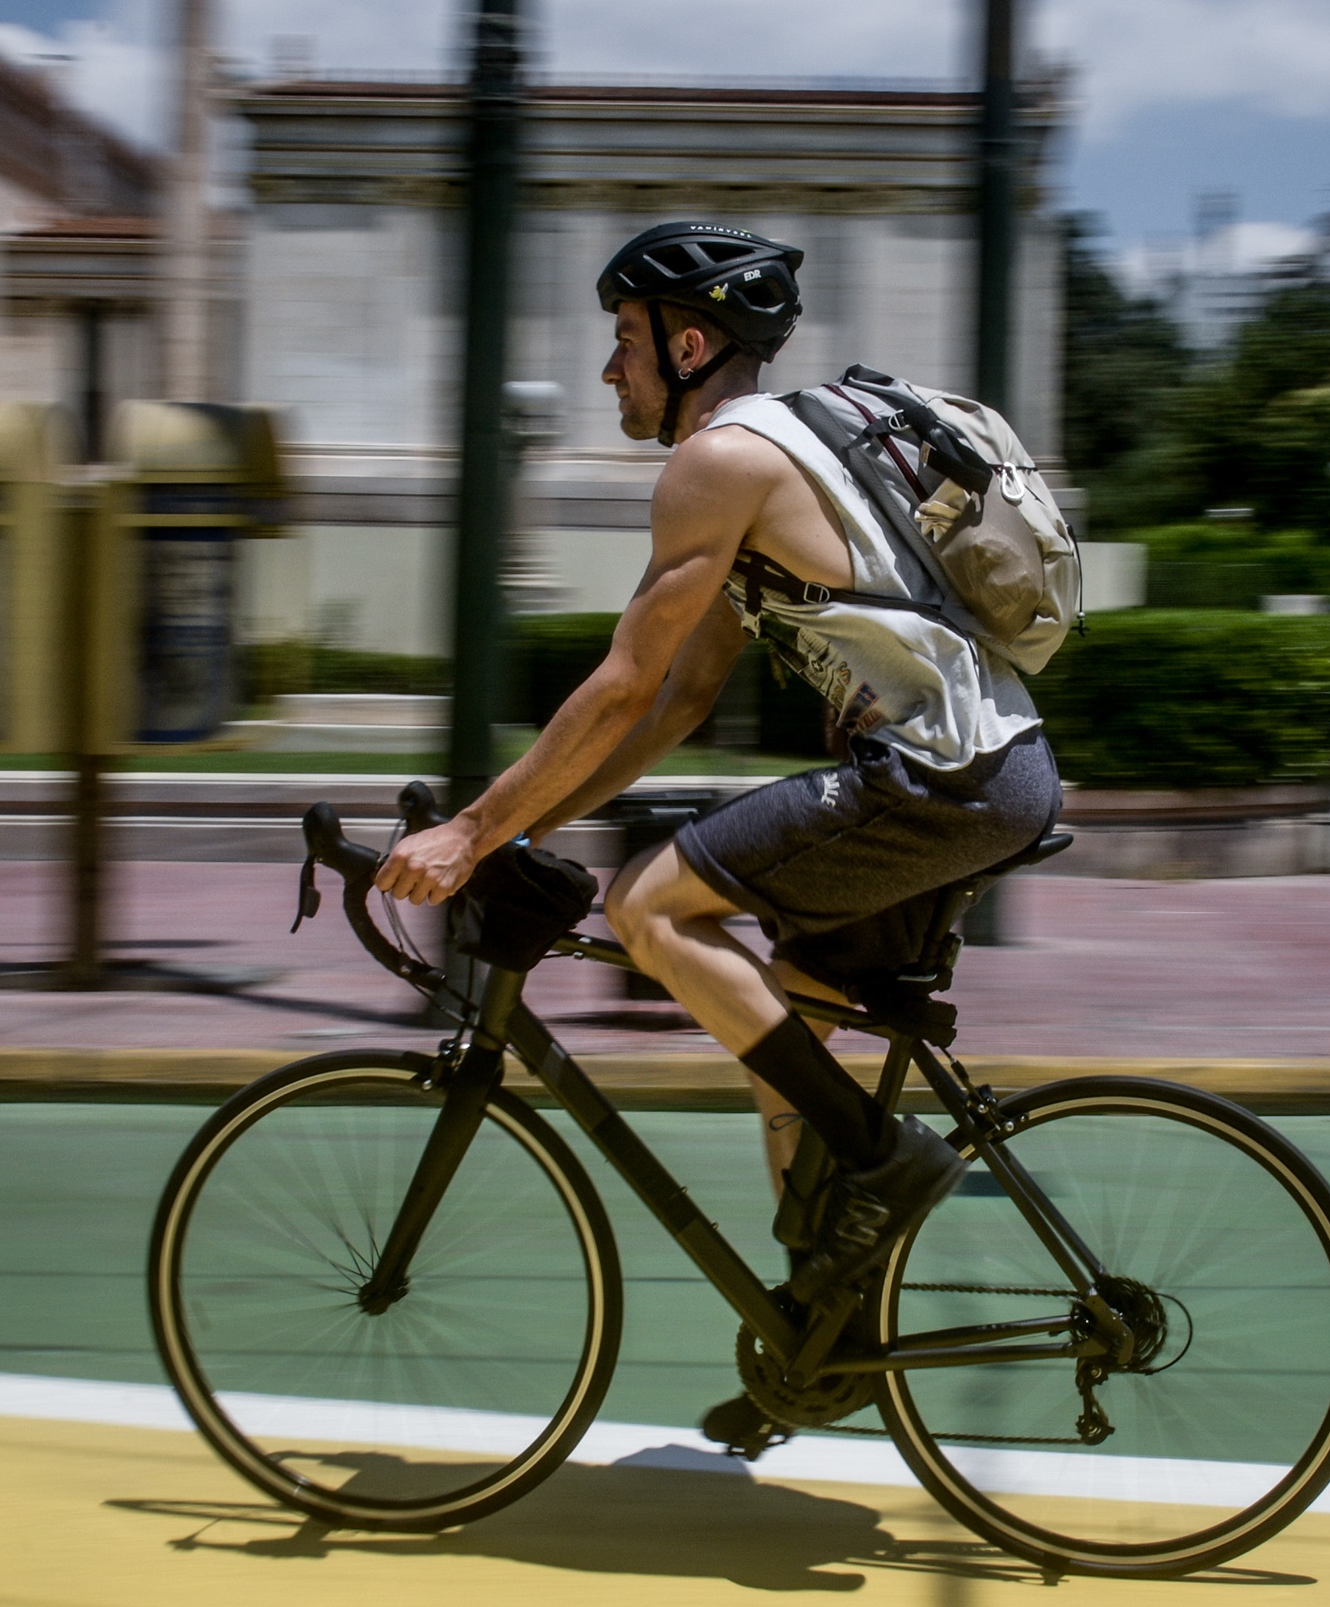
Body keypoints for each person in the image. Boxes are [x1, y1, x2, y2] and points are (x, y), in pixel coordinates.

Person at [377, 221, 1060, 1356]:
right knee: (779, 1001)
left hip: (941, 777)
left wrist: (472, 829)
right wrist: (514, 832)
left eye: (623, 342)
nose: (609, 370)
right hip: (983, 772)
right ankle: (818, 1324)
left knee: (648, 906)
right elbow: (675, 701)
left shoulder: (720, 462)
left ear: (688, 343)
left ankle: (886, 1160)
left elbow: (619, 679)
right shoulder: (780, 457)